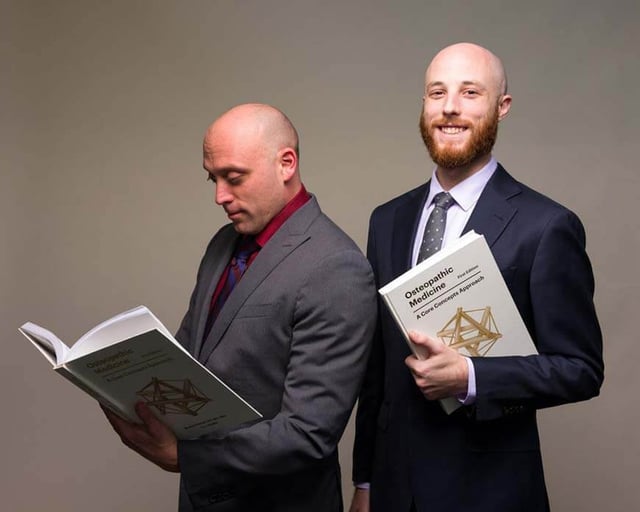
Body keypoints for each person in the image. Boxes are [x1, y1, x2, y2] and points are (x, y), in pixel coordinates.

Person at [350, 43, 604, 512]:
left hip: (489, 492)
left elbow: (581, 370)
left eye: (470, 92)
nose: (450, 107)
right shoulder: (386, 220)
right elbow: (377, 373)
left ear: (501, 108)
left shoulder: (546, 226)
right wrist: (364, 482)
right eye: (437, 92)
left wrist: (470, 376)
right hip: (392, 491)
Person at [103, 103, 377, 512]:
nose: (220, 196)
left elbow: (307, 434)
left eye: (234, 178)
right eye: (213, 178)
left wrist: (186, 458)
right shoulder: (222, 244)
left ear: (286, 164)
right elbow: (190, 359)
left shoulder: (337, 267)